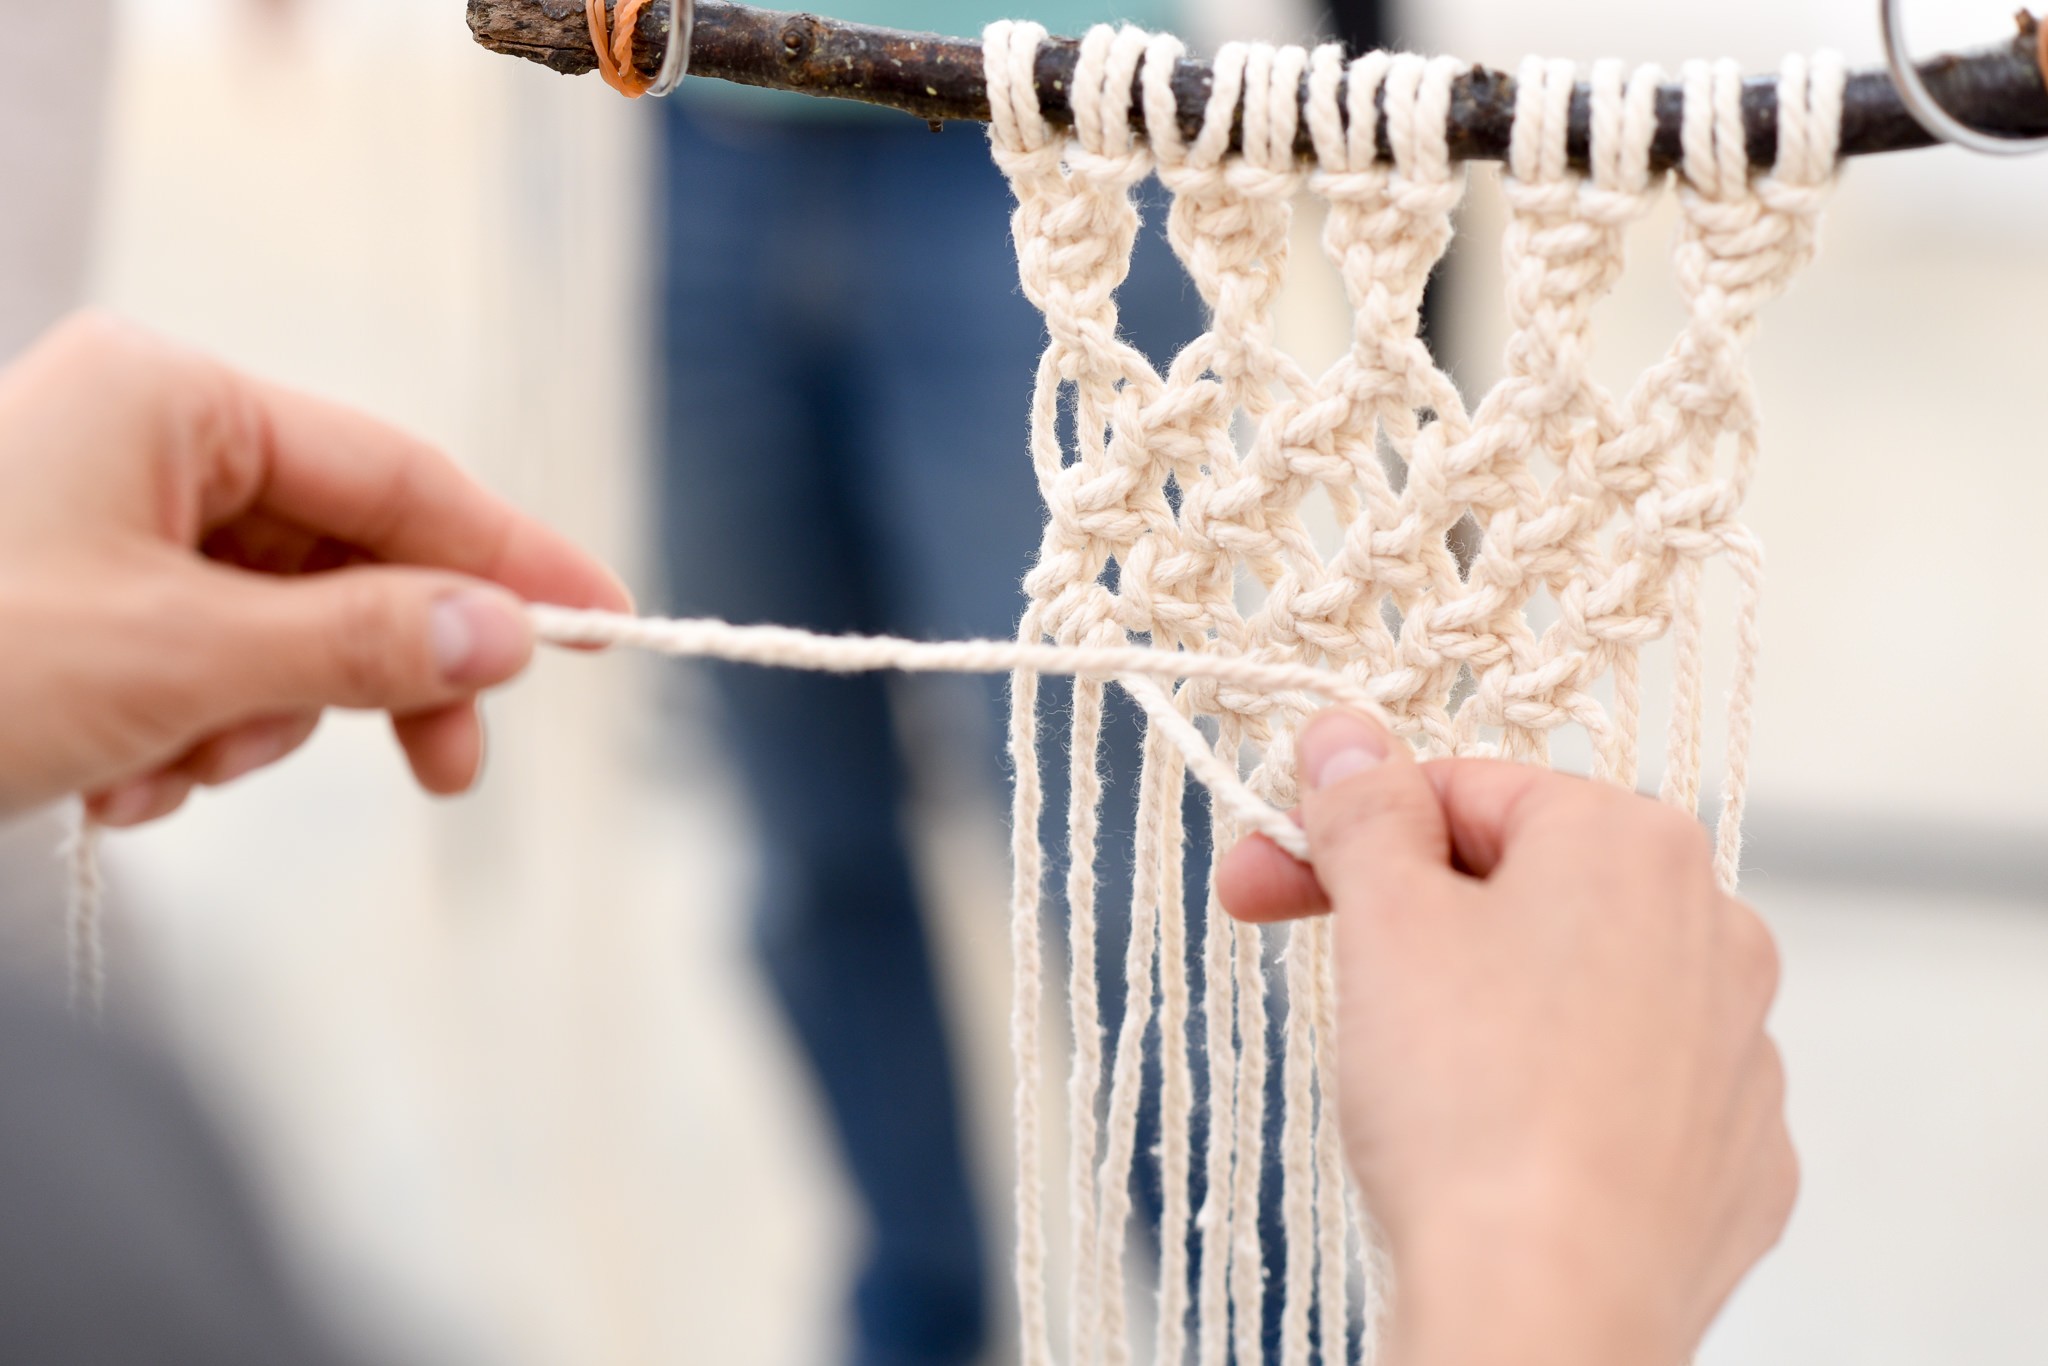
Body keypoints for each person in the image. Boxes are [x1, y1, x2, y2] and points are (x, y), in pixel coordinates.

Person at [0, 314, 1791, 1365]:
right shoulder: (85, 1203)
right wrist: (1546, 1260)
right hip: (723, 137)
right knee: (819, 877)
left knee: (1115, 884)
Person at [654, 6, 1197, 1363]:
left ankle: (1248, 1320)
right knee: (802, 838)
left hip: (1055, 132)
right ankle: (914, 1314)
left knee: (1123, 867)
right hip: (694, 116)